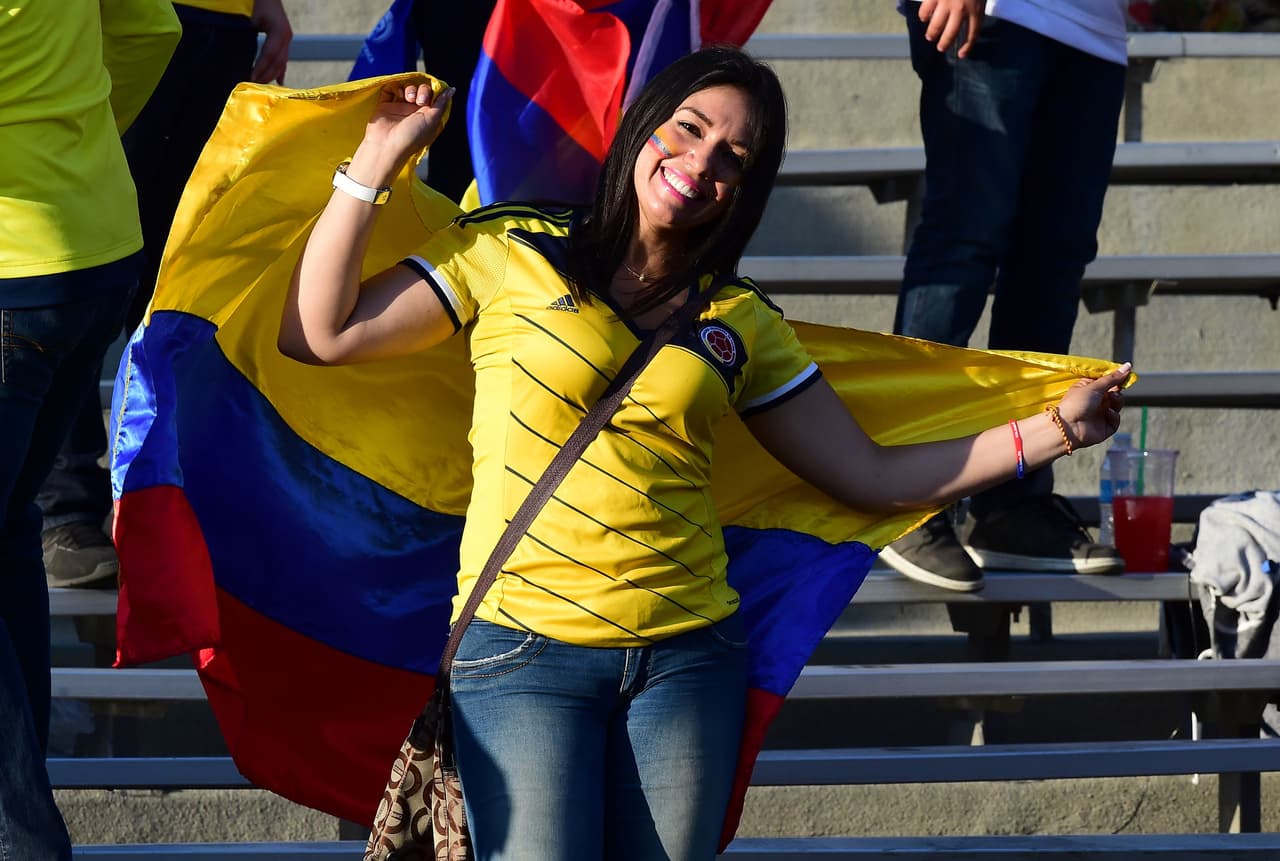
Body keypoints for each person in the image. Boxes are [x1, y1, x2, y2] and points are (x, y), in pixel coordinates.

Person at [277, 46, 1131, 860]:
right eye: (688, 127)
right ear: (642, 123)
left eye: (734, 156)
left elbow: (872, 475)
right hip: (521, 654)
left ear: (743, 193)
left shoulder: (741, 320)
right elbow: (320, 331)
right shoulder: (510, 248)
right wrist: (376, 159)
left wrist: (1056, 430)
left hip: (687, 664)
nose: (701, 160)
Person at [0, 0, 179, 856]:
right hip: (93, 243)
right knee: (10, 529)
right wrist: (74, 135)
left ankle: (24, 838)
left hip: (17, 266)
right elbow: (151, 28)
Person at [38, 0, 292, 589]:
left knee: (190, 284)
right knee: (88, 272)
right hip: (122, 21)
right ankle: (64, 513)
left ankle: (159, 504)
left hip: (218, 25)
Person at [880, 0, 1131, 593]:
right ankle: (901, 495)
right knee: (963, 239)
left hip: (1095, 27)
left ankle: (1011, 504)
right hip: (997, 13)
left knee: (1054, 260)